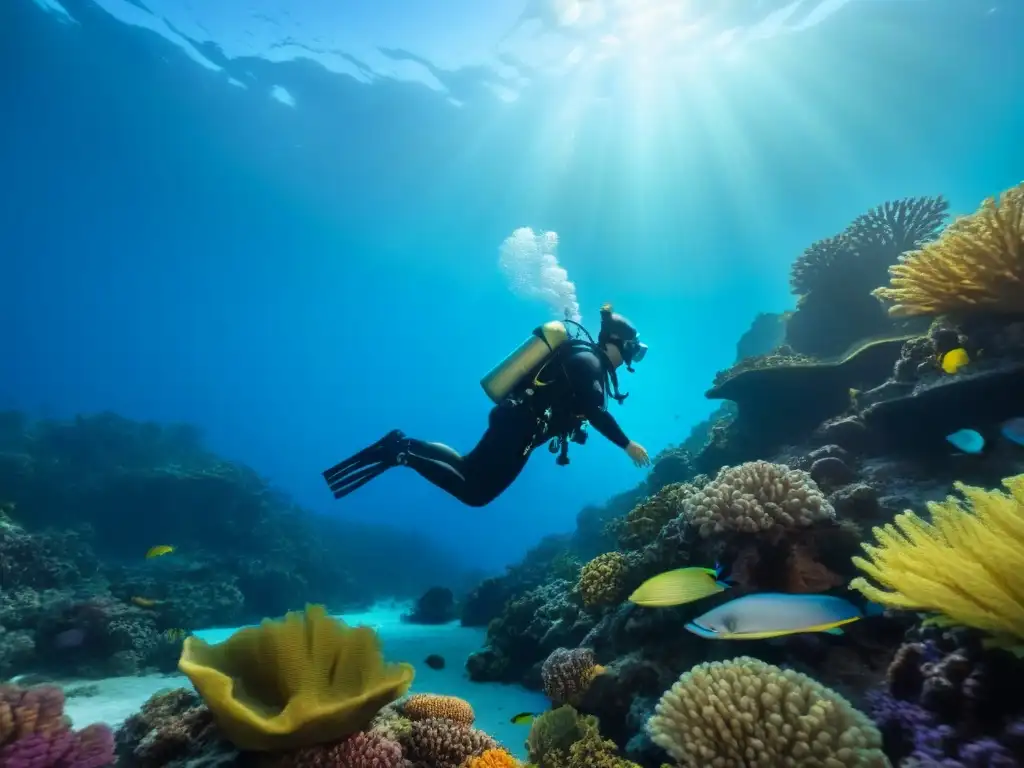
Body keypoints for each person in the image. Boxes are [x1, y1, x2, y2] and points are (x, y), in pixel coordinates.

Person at [322, 304, 651, 507]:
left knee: (467, 467)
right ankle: (402, 454)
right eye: (633, 349)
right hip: (518, 429)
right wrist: (627, 444)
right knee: (476, 493)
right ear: (615, 343)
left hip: (512, 420)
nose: (632, 357)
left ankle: (402, 443)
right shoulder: (590, 363)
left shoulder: (580, 357)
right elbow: (596, 412)